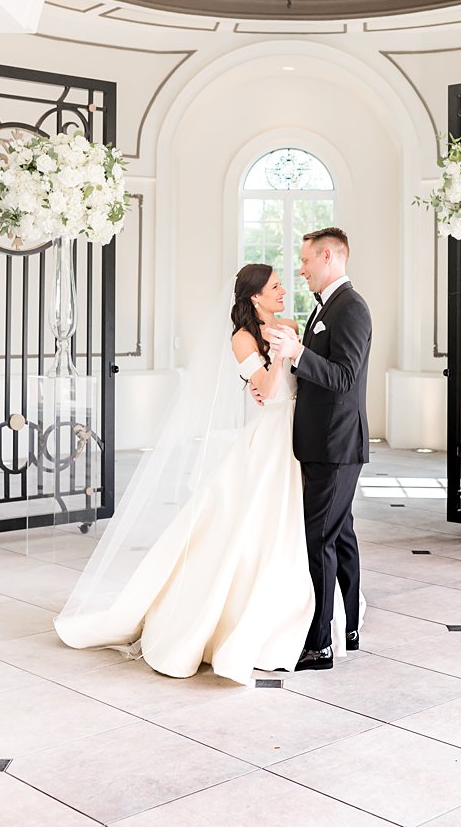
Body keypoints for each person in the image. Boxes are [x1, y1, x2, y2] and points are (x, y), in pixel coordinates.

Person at [55, 264, 319, 684]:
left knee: (292, 521)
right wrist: (281, 357)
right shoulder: (242, 337)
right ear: (255, 297)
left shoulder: (289, 324)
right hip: (269, 434)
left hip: (296, 430)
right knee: (255, 522)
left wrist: (291, 349)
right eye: (275, 286)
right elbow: (267, 390)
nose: (283, 290)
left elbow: (306, 377)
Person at [264, 226, 372, 672]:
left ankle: (320, 644)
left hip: (336, 442)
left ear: (328, 256)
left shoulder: (351, 309)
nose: (301, 269)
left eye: (306, 261)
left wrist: (297, 353)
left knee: (320, 539)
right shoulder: (325, 308)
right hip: (321, 440)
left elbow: (344, 377)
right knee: (340, 534)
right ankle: (347, 627)